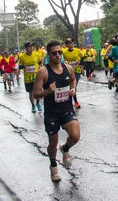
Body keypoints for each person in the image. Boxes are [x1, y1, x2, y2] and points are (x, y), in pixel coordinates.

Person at [33, 40, 80, 182]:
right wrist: (48, 91)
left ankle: (65, 149)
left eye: (60, 52)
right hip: (52, 113)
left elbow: (73, 80)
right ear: (49, 54)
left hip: (67, 109)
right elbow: (36, 94)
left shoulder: (68, 68)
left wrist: (73, 88)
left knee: (75, 136)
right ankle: (53, 166)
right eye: (54, 53)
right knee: (53, 143)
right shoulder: (43, 72)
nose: (58, 55)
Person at [19, 42, 43, 113]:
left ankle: (38, 103)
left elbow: (40, 62)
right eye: (29, 47)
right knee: (31, 93)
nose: (31, 48)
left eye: (31, 47)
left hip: (36, 77)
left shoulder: (37, 55)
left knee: (38, 91)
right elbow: (19, 67)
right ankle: (33, 105)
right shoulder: (22, 57)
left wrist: (39, 68)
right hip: (28, 78)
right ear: (26, 48)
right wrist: (23, 66)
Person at [63, 38, 84, 109]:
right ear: (67, 45)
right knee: (71, 87)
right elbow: (62, 62)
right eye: (69, 43)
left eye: (71, 43)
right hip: (69, 72)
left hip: (77, 71)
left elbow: (83, 58)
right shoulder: (64, 53)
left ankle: (73, 101)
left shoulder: (78, 50)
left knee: (74, 87)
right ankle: (75, 102)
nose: (71, 45)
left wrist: (80, 63)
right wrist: (65, 63)